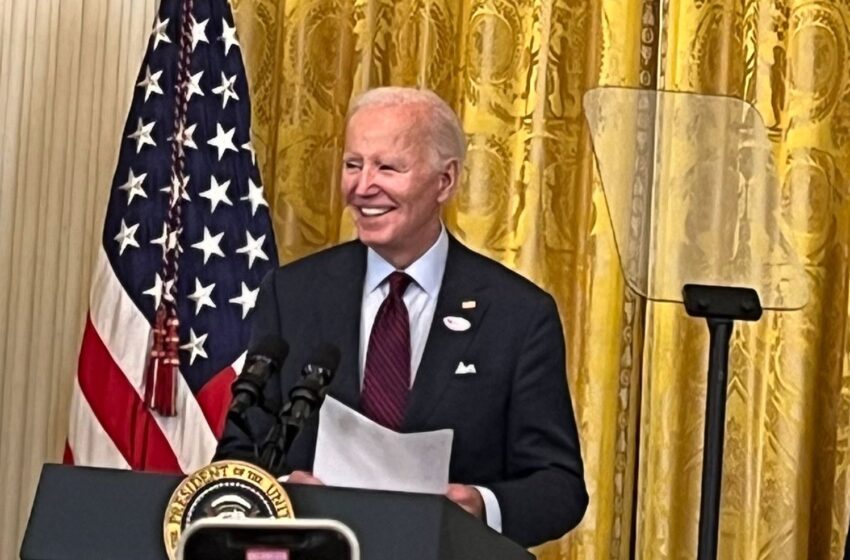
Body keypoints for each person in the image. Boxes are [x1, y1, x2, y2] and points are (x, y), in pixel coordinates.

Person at [215, 86, 588, 547]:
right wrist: (284, 491)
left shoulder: (518, 315)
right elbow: (238, 453)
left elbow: (558, 485)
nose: (363, 186)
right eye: (354, 165)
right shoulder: (292, 294)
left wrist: (480, 506)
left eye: (388, 167)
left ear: (444, 182)